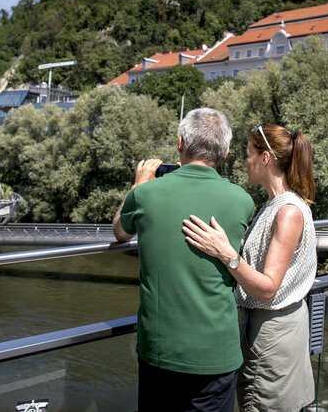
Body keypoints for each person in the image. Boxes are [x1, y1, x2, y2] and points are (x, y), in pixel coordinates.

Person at [113, 108, 255, 412]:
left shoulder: (147, 194)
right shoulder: (242, 201)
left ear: (180, 143)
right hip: (216, 353)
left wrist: (139, 183)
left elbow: (120, 233)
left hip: (160, 350)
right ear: (227, 152)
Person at [182, 123, 317, 411]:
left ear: (265, 158)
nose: (244, 161)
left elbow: (268, 289)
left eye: (248, 154)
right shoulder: (275, 205)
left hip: (273, 333)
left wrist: (226, 253)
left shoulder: (287, 212)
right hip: (274, 327)